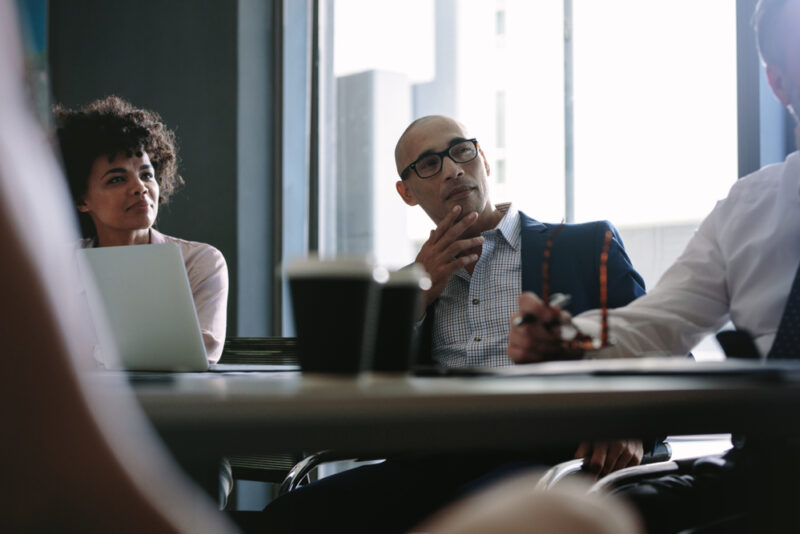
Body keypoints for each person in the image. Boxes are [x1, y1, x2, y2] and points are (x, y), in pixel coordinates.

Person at [261, 115, 648, 533]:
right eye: (429, 163)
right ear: (407, 193)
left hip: (547, 460)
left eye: (461, 151)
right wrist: (417, 293)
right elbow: (360, 395)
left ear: (482, 158)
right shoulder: (406, 284)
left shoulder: (585, 247)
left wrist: (632, 424)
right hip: (429, 464)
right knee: (285, 519)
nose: (452, 169)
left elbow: (664, 351)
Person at [507, 0, 800, 531]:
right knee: (552, 518)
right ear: (779, 84)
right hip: (769, 475)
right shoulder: (748, 210)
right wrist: (566, 336)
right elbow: (657, 325)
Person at [54, 95, 228, 364]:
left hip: (177, 405)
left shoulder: (200, 262)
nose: (140, 187)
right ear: (80, 199)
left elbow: (205, 349)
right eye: (117, 179)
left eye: (146, 175)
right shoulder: (57, 265)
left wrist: (94, 354)